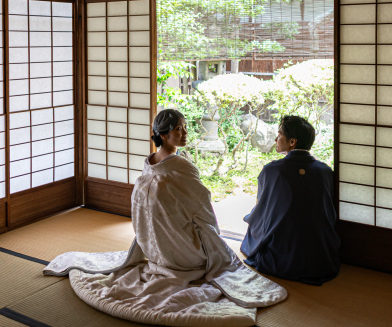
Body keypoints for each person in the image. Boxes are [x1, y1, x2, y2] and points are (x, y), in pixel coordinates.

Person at [44, 109, 287, 326]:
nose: (184, 133)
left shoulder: (150, 164)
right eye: (177, 129)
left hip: (153, 248)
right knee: (214, 245)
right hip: (182, 255)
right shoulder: (182, 167)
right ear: (163, 134)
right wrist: (212, 237)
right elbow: (203, 211)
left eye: (184, 127)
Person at [240, 115, 341, 285]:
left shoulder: (272, 170)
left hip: (280, 257)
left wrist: (251, 218)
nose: (276, 138)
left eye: (279, 134)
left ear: (292, 142)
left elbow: (263, 210)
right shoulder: (325, 171)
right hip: (320, 259)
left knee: (256, 221)